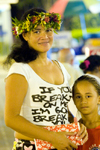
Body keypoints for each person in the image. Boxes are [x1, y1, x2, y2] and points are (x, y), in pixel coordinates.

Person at [4, 7, 88, 150]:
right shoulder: (21, 70)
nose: (45, 36)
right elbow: (11, 118)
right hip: (32, 146)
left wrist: (78, 124)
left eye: (48, 30)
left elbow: (63, 108)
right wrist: (52, 137)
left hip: (63, 144)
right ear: (25, 35)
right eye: (37, 31)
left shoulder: (60, 67)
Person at [72, 74, 100, 150]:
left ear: (99, 99)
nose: (83, 101)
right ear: (74, 100)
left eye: (88, 96)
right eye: (78, 97)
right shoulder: (73, 131)